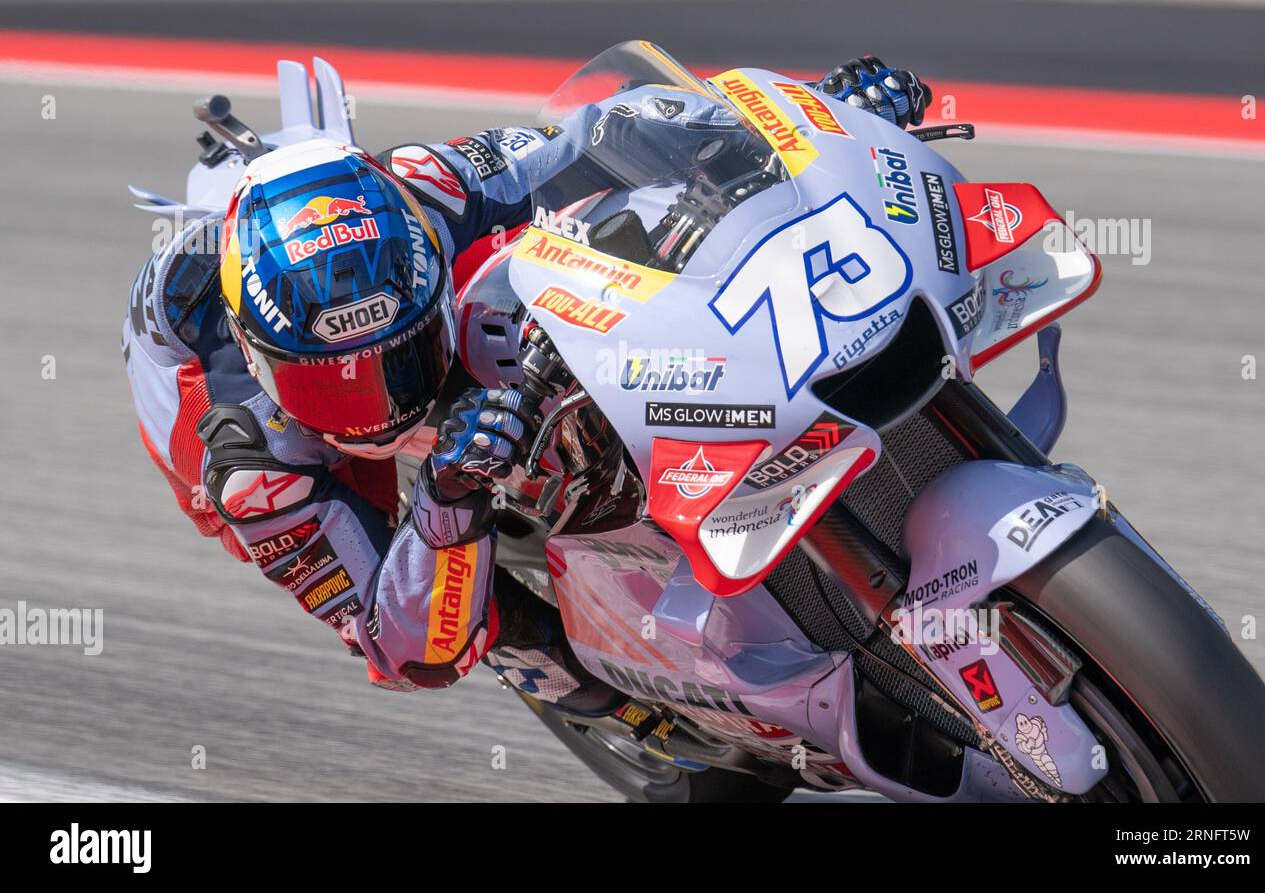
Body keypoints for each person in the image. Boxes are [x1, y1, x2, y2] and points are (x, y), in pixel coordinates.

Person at [122, 54, 931, 704]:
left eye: (395, 359)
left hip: (360, 251)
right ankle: (621, 706)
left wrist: (809, 117)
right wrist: (444, 491)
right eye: (339, 383)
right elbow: (406, 656)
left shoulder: (427, 188)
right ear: (264, 357)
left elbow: (611, 134)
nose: (383, 402)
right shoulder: (251, 463)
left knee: (608, 228)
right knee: (471, 624)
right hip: (195, 394)